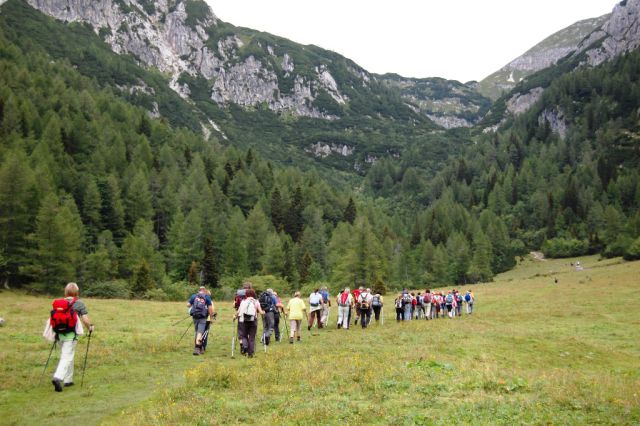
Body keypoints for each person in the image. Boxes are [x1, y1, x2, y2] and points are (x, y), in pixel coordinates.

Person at [49, 282, 94, 392]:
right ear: (77, 292)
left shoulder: (59, 303)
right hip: (71, 335)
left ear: (66, 292)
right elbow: (85, 319)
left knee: (67, 355)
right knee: (67, 357)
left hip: (59, 334)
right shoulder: (79, 303)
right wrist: (90, 328)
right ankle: (58, 377)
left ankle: (68, 380)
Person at [235, 289, 264, 357]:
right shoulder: (256, 302)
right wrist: (264, 312)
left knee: (244, 336)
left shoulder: (243, 301)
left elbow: (238, 311)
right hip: (253, 320)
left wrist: (235, 316)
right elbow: (261, 312)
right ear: (253, 294)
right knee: (252, 338)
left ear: (246, 295)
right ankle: (250, 354)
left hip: (243, 321)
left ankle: (245, 346)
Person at [188, 286, 214, 355]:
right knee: (200, 332)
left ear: (198, 290)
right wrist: (211, 318)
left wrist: (194, 305)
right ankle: (198, 348)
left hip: (195, 316)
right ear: (204, 290)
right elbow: (210, 309)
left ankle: (198, 347)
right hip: (203, 317)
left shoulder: (194, 296)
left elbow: (188, 305)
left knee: (197, 331)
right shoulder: (207, 297)